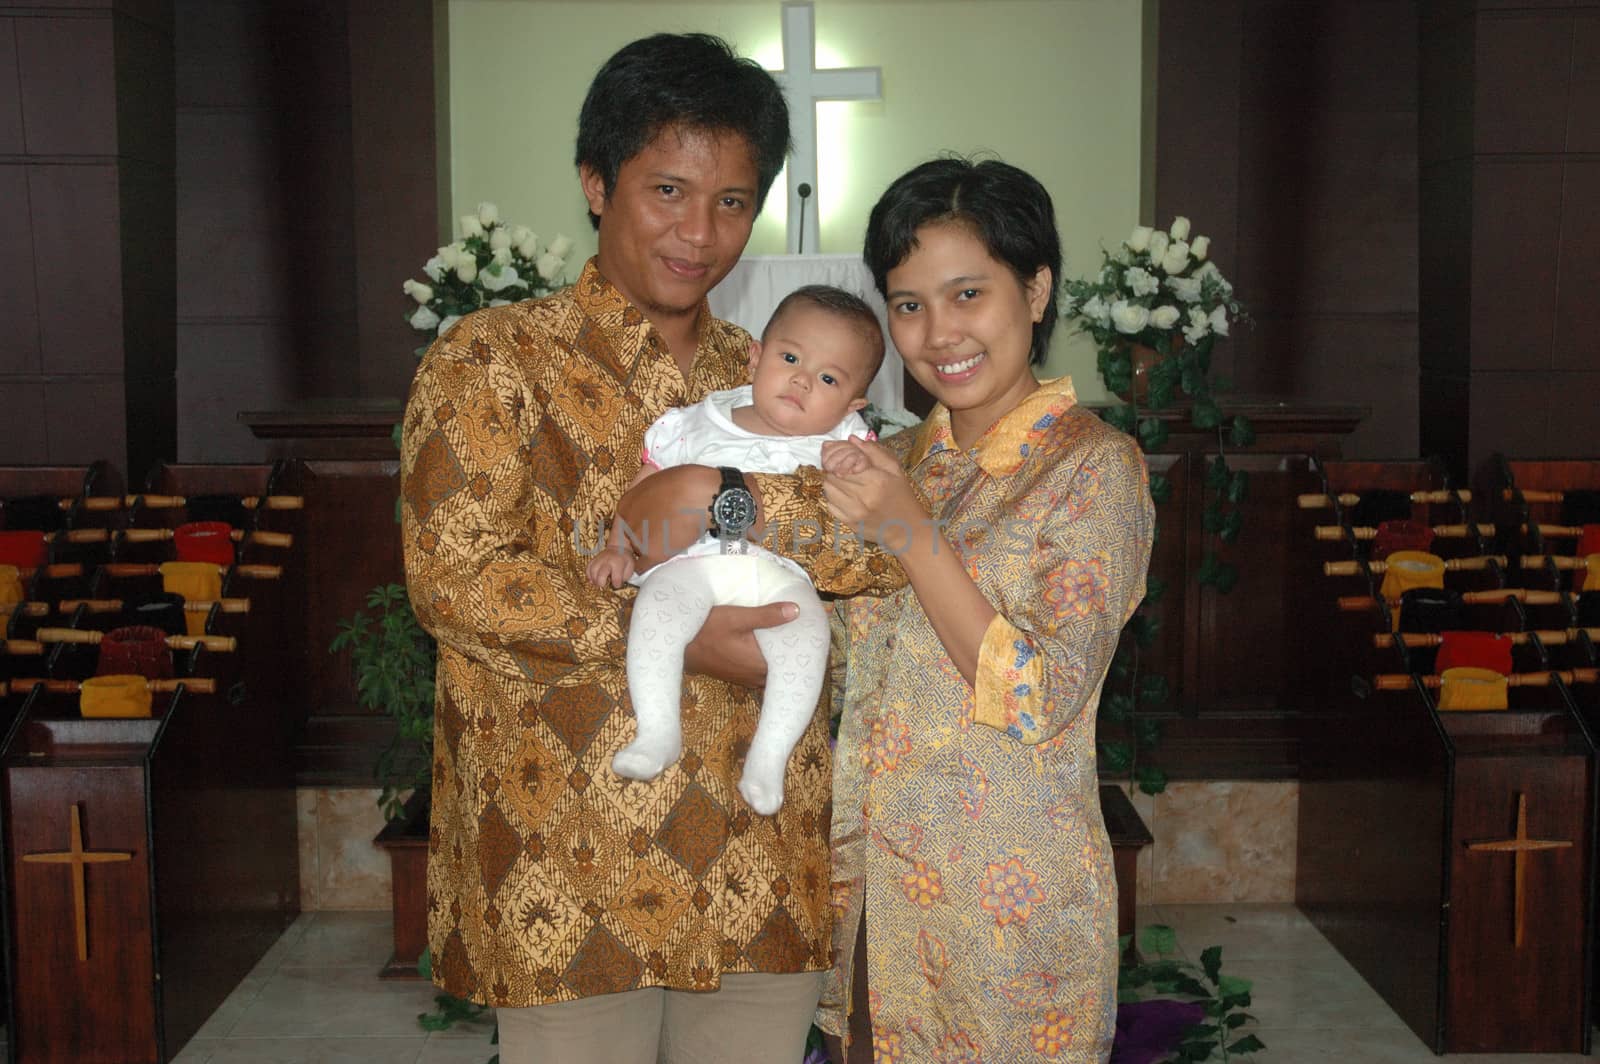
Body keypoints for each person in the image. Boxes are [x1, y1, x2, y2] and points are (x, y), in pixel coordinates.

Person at [399, 34, 899, 1064]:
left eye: (730, 201)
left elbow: (879, 543)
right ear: (595, 182)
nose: (698, 232)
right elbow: (456, 580)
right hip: (568, 866)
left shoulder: (790, 373)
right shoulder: (491, 359)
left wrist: (723, 498)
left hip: (759, 862)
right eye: (666, 189)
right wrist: (688, 632)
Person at [816, 158, 1156, 1062]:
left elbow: (1039, 694)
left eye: (968, 293)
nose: (938, 334)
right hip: (869, 906)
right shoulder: (896, 461)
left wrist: (909, 534)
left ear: (1037, 289)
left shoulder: (1092, 468)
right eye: (909, 303)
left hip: (1003, 931)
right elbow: (842, 674)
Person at [587, 285, 884, 816]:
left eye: (828, 378)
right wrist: (618, 546)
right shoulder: (697, 420)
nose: (801, 380)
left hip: (780, 574)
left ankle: (769, 759)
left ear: (852, 403)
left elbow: (876, 508)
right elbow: (643, 485)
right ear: (756, 356)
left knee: (806, 634)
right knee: (655, 612)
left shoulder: (842, 440)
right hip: (691, 563)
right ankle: (658, 731)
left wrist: (859, 468)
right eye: (790, 357)